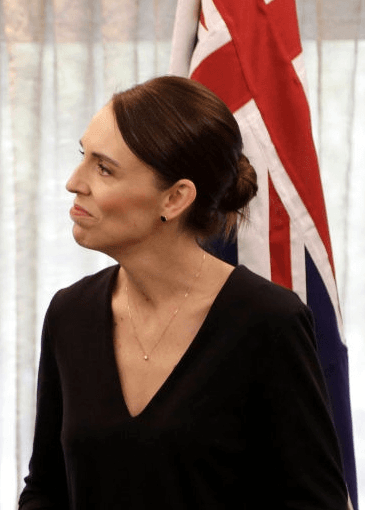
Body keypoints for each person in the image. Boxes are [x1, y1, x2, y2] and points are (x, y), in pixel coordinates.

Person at [18, 76, 348, 509]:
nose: (73, 182)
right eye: (84, 157)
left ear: (174, 199)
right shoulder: (69, 313)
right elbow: (47, 491)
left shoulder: (269, 321)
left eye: (104, 168)